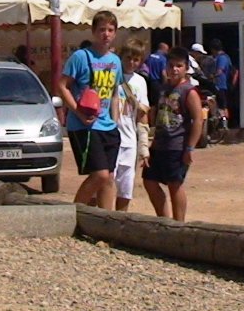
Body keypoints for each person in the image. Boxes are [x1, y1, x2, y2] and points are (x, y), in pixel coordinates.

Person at [58, 11, 123, 210]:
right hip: (84, 126)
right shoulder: (80, 57)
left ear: (115, 33)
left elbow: (114, 93)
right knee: (99, 174)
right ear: (94, 31)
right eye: (102, 29)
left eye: (110, 30)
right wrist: (78, 112)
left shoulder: (115, 61)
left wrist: (115, 122)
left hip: (107, 126)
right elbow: (62, 86)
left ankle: (105, 220)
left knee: (109, 178)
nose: (106, 34)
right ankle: (74, 212)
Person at [143, 46, 203, 221]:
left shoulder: (189, 91)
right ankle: (164, 219)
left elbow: (198, 120)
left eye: (179, 66)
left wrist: (190, 148)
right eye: (171, 65)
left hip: (177, 145)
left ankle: (178, 224)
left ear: (186, 68)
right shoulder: (163, 89)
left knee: (174, 184)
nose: (174, 69)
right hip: (159, 144)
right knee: (149, 180)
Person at [114, 39, 150, 211]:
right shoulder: (112, 75)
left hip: (129, 141)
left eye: (136, 60)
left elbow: (143, 115)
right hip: (111, 137)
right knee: (103, 183)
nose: (131, 63)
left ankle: (120, 220)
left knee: (126, 189)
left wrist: (144, 147)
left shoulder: (140, 82)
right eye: (128, 58)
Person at [209, 39, 234, 118]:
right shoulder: (226, 57)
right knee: (222, 105)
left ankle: (224, 122)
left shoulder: (221, 58)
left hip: (221, 85)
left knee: (222, 106)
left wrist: (212, 76)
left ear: (213, 49)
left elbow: (220, 71)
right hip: (223, 85)